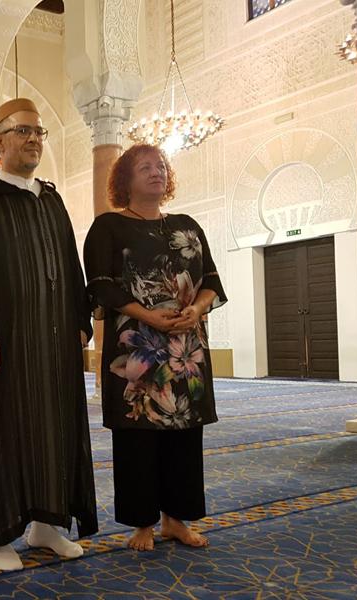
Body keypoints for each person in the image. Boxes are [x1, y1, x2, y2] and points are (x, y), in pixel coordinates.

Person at [0, 98, 98, 571]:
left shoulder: (52, 200)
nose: (33, 139)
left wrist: (82, 322)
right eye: (22, 131)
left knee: (56, 430)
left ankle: (46, 525)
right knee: (3, 432)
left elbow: (71, 264)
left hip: (56, 343)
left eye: (38, 132)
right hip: (7, 345)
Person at [83, 143, 227, 552]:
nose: (156, 171)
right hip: (137, 348)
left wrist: (197, 309)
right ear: (124, 179)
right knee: (138, 434)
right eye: (145, 166)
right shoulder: (109, 227)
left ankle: (175, 521)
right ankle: (143, 523)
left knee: (183, 431)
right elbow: (100, 285)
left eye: (161, 165)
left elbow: (212, 281)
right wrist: (147, 316)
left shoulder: (187, 226)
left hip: (186, 348)